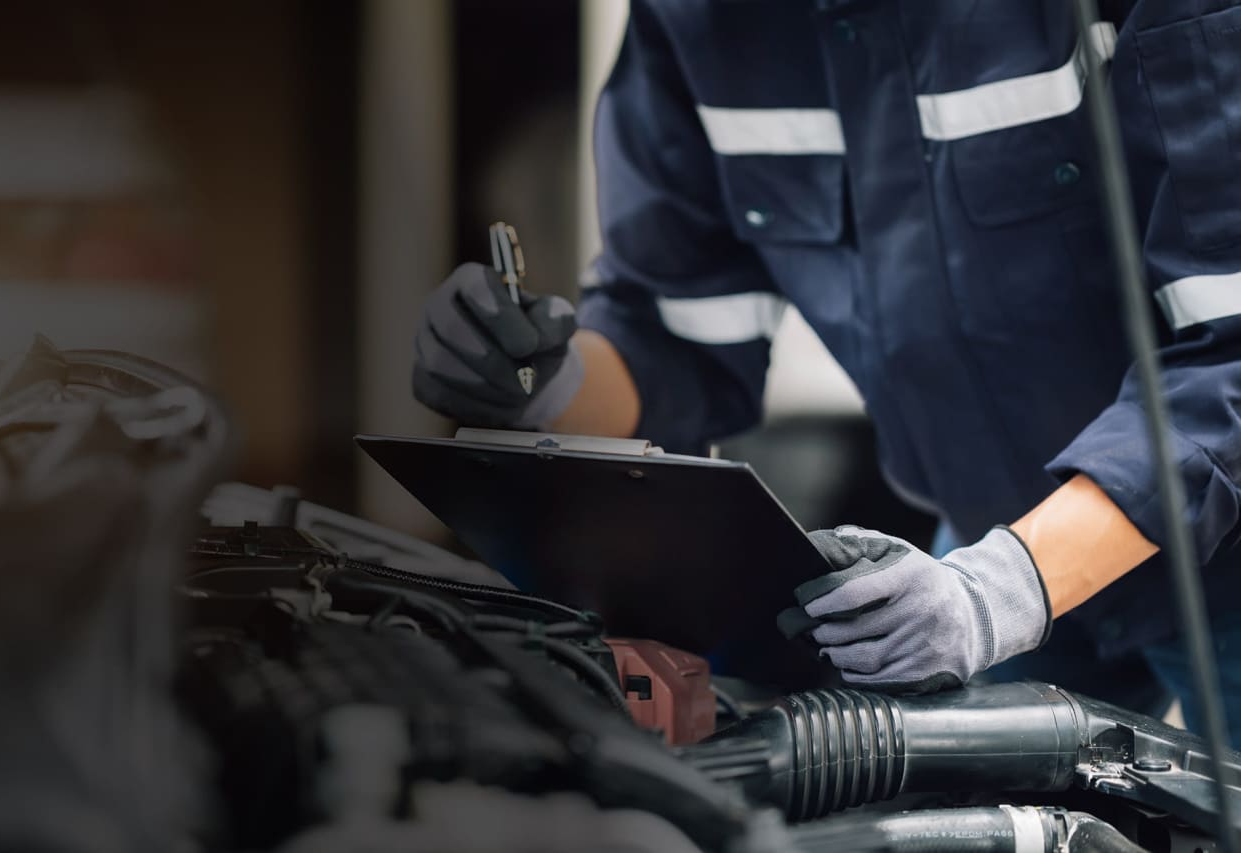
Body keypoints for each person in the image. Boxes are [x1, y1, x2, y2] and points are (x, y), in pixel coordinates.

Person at [412, 1, 1241, 737]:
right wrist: (539, 386)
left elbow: (1230, 357)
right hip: (991, 538)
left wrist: (1003, 590)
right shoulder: (696, 23)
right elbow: (669, 336)